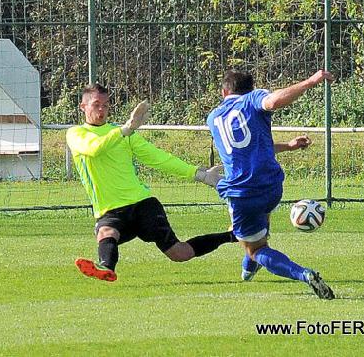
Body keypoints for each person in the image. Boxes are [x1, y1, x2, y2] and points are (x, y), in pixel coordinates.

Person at [67, 84, 233, 282]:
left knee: (180, 253)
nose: (102, 109)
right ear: (83, 107)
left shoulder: (124, 135)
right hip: (109, 210)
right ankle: (106, 268)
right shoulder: (76, 133)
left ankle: (232, 236)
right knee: (106, 232)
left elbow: (158, 158)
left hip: (142, 204)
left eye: (106, 105)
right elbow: (94, 148)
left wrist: (199, 175)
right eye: (96, 105)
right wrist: (125, 129)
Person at [207, 70, 335, 299]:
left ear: (224, 92)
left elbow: (273, 102)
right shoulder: (253, 98)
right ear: (251, 88)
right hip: (272, 186)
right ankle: (248, 271)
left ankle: (304, 274)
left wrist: (311, 81)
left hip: (242, 192)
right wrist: (310, 82)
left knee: (256, 249)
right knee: (260, 224)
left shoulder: (214, 118)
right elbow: (257, 141)